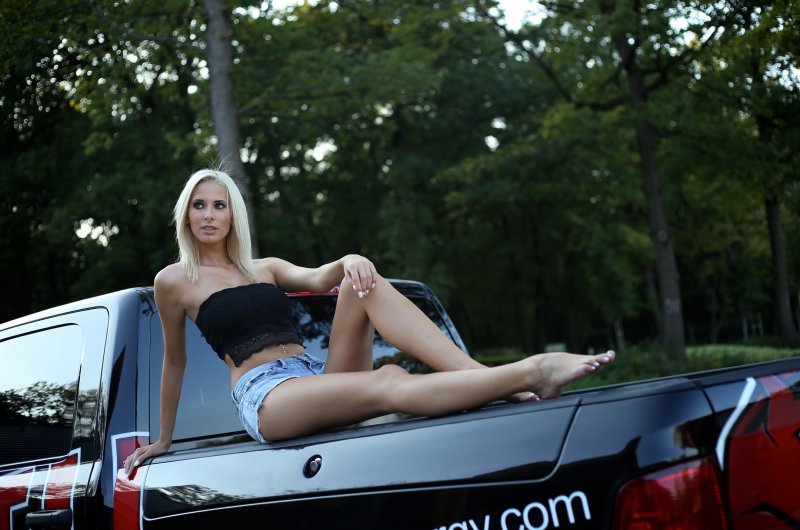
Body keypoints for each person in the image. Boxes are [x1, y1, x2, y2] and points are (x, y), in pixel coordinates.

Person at [124, 169, 615, 476]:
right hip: (266, 396)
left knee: (364, 285)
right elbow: (175, 362)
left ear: (233, 215)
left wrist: (351, 260)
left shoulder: (264, 268)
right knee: (389, 377)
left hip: (314, 375)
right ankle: (531, 372)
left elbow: (320, 278)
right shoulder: (175, 281)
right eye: (199, 205)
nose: (209, 215)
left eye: (220, 205)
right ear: (186, 215)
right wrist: (163, 440)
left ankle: (485, 377)